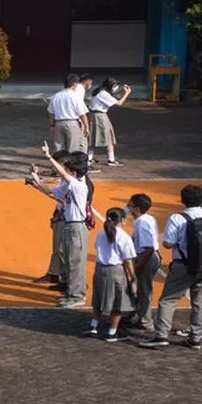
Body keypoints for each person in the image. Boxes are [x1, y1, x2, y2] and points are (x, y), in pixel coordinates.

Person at [140, 185, 202, 349]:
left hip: (183, 266)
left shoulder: (177, 218)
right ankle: (195, 338)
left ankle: (161, 335)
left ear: (182, 200)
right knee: (201, 302)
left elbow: (168, 243)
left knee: (168, 300)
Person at [32, 143, 90, 308]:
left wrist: (49, 157)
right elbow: (51, 192)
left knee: (75, 262)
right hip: (70, 225)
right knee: (70, 261)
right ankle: (71, 293)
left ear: (74, 172)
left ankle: (77, 296)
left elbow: (63, 174)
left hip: (76, 227)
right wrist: (37, 181)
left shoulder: (79, 186)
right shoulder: (72, 185)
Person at [83, 207, 137, 341]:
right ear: (123, 220)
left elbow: (97, 247)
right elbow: (128, 260)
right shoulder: (124, 237)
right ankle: (112, 333)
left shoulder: (100, 234)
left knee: (98, 299)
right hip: (116, 272)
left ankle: (93, 326)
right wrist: (133, 277)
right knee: (118, 303)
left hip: (100, 269)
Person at [32, 150, 72, 288]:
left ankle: (66, 279)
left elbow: (53, 194)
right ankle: (55, 274)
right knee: (58, 247)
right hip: (61, 215)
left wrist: (37, 183)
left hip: (66, 218)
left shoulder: (71, 182)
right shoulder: (67, 180)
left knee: (61, 249)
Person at [124, 193, 160, 331]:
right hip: (148, 256)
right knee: (142, 289)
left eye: (130, 206)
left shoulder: (142, 224)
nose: (127, 208)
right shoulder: (148, 219)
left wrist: (138, 266)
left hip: (146, 257)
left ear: (137, 209)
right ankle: (139, 316)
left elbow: (148, 248)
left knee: (144, 290)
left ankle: (145, 321)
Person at [87, 77, 132, 167]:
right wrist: (127, 93)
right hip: (100, 116)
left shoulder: (99, 91)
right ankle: (111, 160)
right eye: (115, 86)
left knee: (92, 137)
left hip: (93, 115)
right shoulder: (104, 94)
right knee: (109, 137)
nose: (115, 87)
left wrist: (121, 89)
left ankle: (89, 158)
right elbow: (119, 103)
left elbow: (113, 95)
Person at [48, 74, 89, 153]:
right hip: (72, 123)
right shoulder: (75, 96)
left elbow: (51, 112)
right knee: (73, 147)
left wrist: (52, 125)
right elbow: (82, 114)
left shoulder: (55, 96)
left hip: (58, 123)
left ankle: (58, 164)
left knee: (59, 147)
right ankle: (71, 164)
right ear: (74, 84)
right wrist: (86, 127)